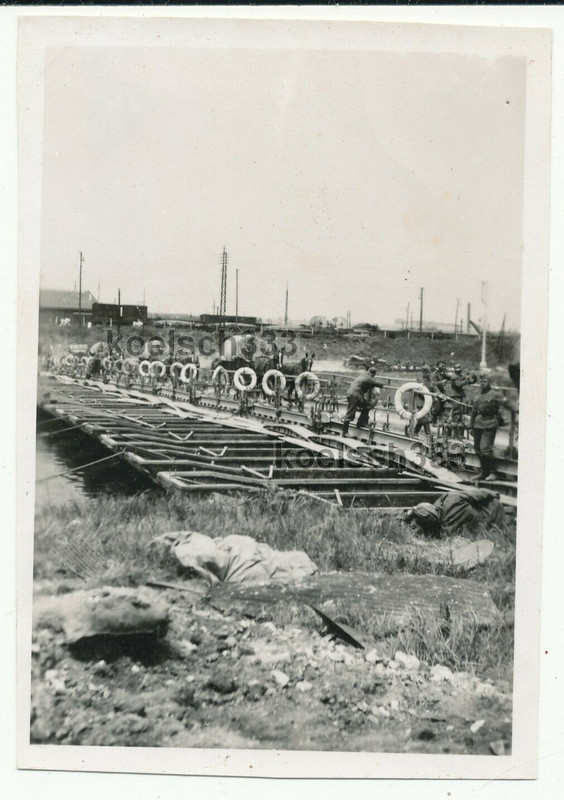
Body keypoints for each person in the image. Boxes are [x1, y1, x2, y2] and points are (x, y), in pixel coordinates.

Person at [405, 489, 506, 536]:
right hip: (480, 527)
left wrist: (494, 494)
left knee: (499, 537)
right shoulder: (439, 529)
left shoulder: (451, 498)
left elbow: (477, 494)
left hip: (493, 509)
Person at [470, 375, 509, 481]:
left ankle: (493, 472)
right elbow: (473, 412)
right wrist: (471, 427)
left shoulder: (496, 394)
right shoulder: (477, 396)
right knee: (477, 449)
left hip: (490, 423)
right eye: (481, 381)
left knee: (485, 448)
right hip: (478, 424)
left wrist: (502, 418)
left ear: (489, 383)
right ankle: (484, 472)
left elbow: (505, 405)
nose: (482, 383)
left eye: (485, 381)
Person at [342, 367, 384, 436]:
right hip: (354, 395)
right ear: (373, 374)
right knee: (350, 413)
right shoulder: (368, 377)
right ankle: (345, 432)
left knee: (366, 405)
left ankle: (360, 423)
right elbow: (377, 383)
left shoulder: (363, 375)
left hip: (355, 395)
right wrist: (384, 384)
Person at [413, 369, 437, 439]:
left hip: (428, 403)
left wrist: (436, 396)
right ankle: (427, 432)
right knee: (424, 418)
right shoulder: (421, 383)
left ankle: (416, 431)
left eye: (430, 373)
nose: (430, 375)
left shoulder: (431, 383)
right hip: (421, 402)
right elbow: (416, 392)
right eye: (428, 373)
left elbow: (435, 389)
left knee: (423, 418)